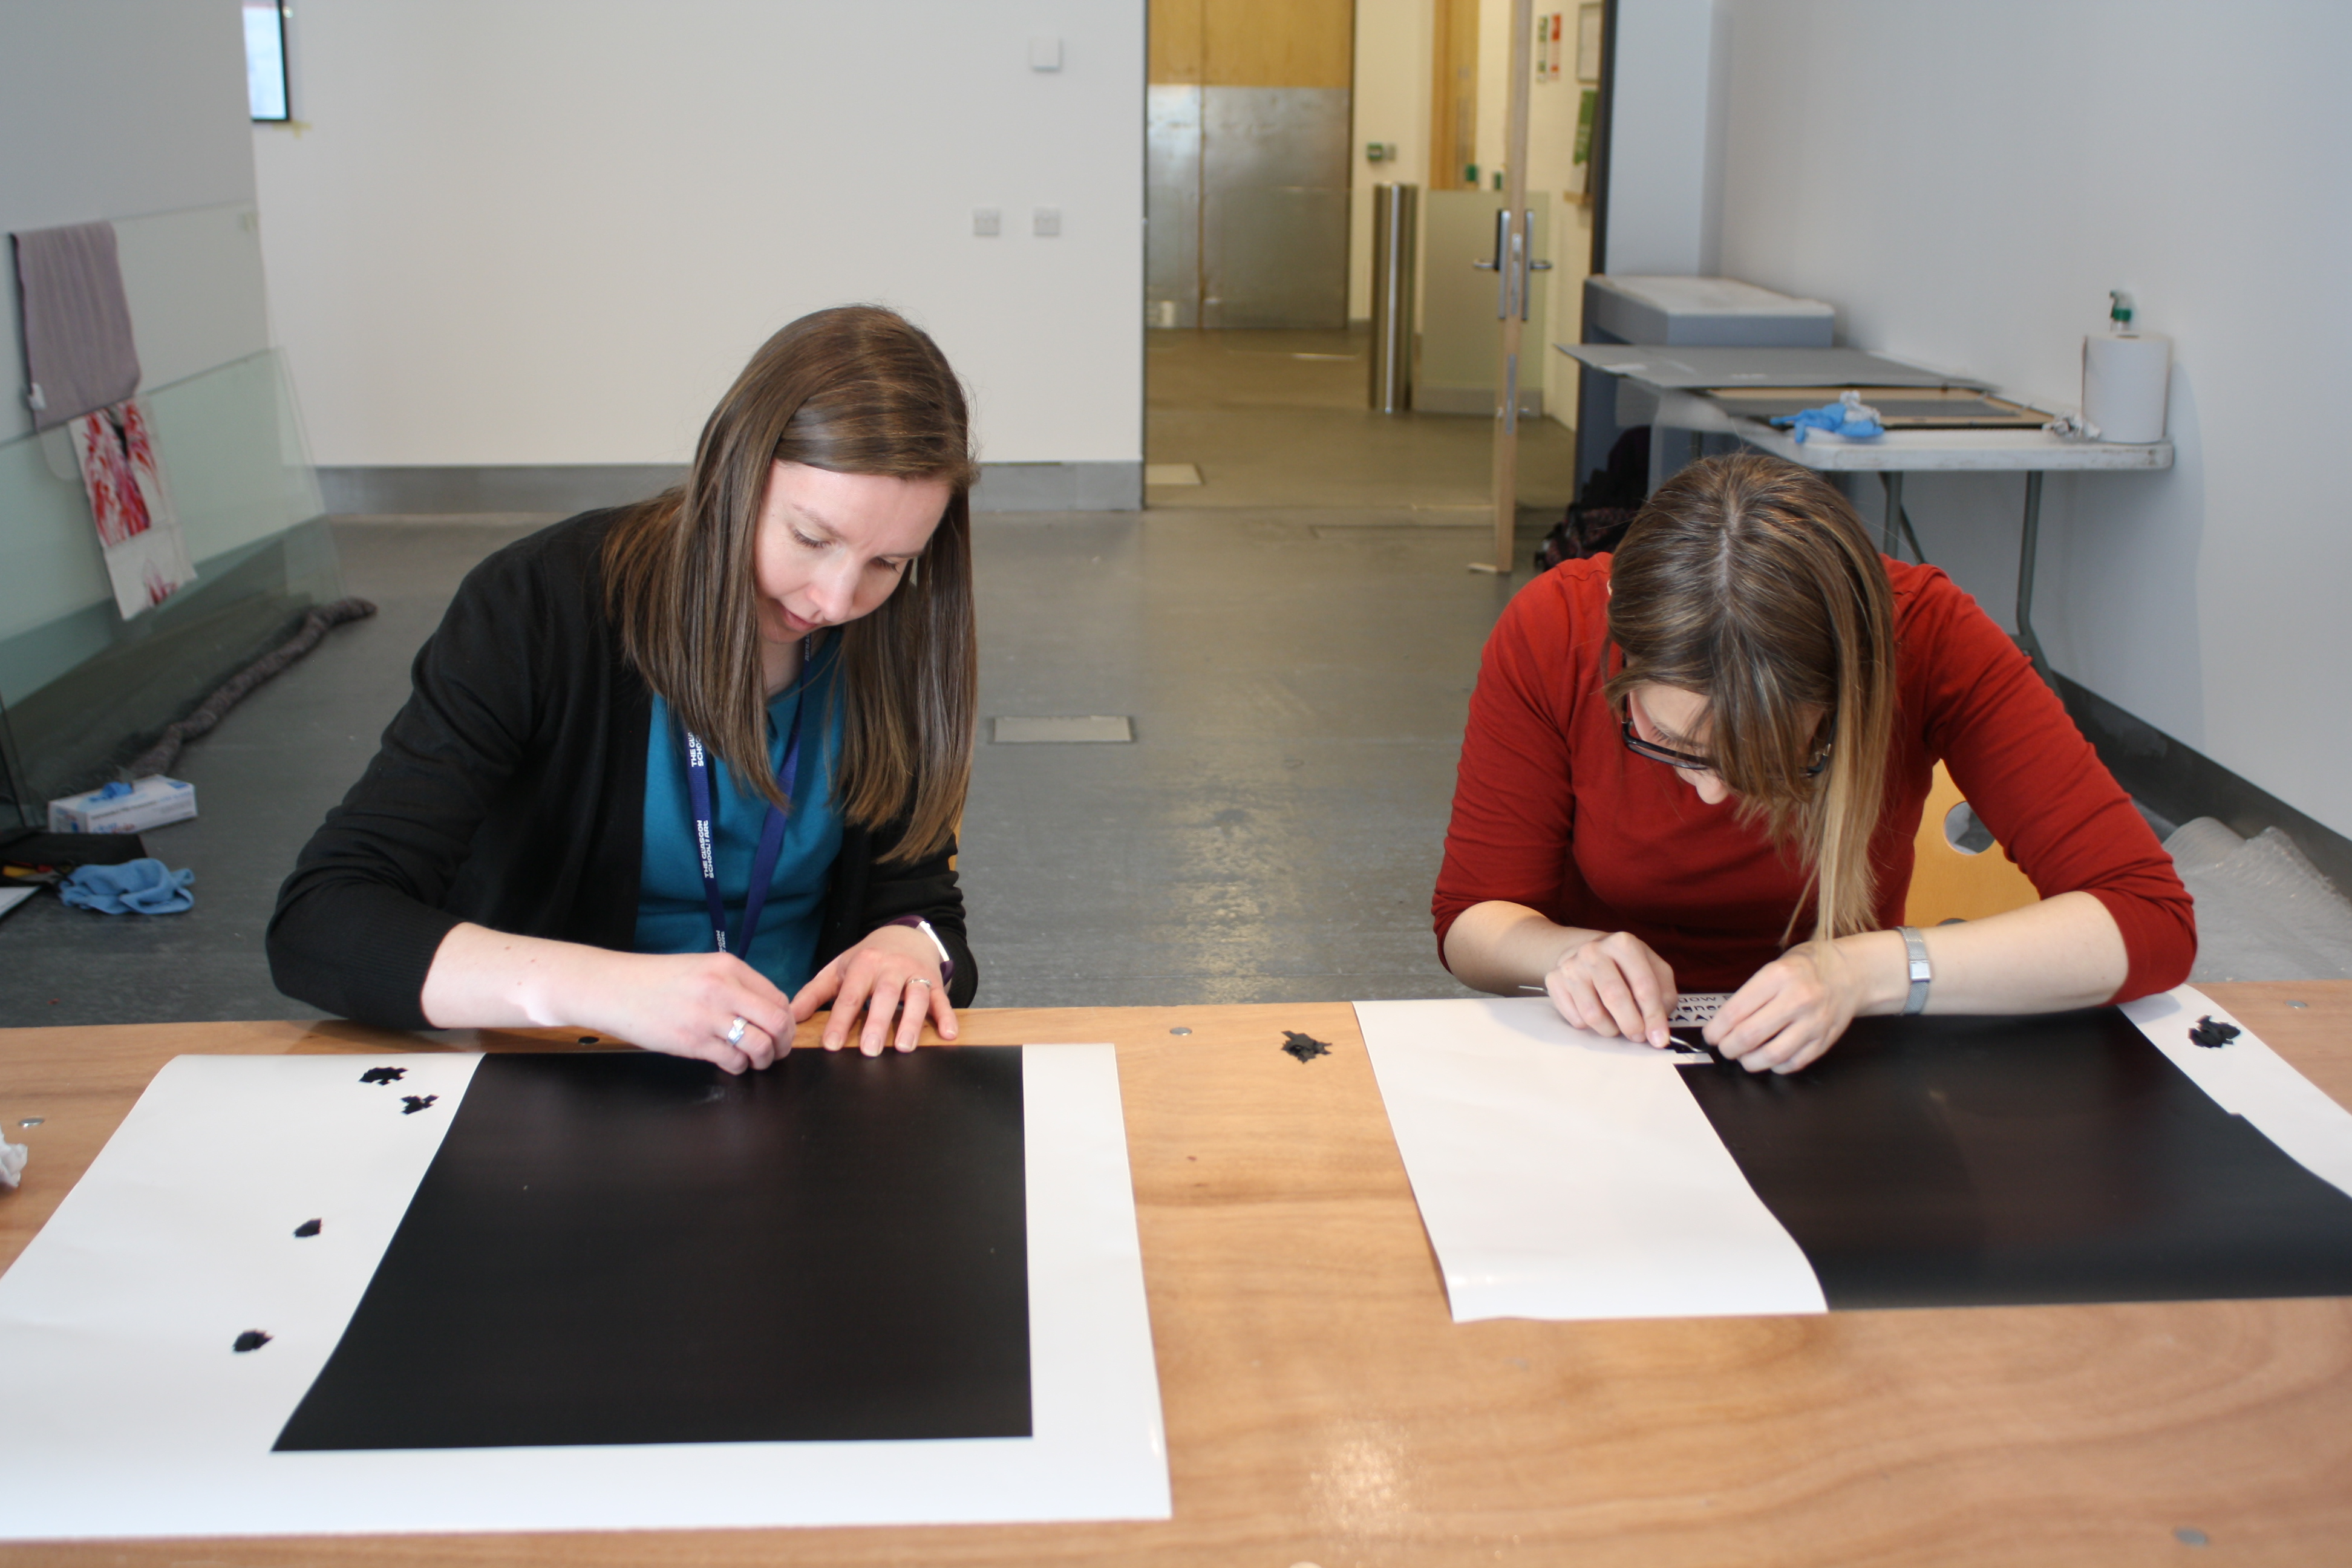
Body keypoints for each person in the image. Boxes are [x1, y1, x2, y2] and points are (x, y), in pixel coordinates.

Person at [269, 305, 978, 1073]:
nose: (837, 602)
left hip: (796, 1075)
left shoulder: (896, 634)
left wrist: (911, 945)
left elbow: (924, 907)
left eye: (890, 562)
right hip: (563, 1075)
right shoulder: (539, 605)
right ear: (730, 476)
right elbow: (323, 920)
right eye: (811, 539)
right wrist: (604, 990)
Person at [1434, 451, 2195, 1074]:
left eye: (1770, 760)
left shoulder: (1926, 636)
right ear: (1623, 657)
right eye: (1669, 744)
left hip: (1848, 1054)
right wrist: (1566, 953)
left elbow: (2148, 918)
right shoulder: (1554, 629)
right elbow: (1472, 921)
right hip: (1609, 1060)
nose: (1711, 795)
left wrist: (1864, 972)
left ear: (1846, 691)